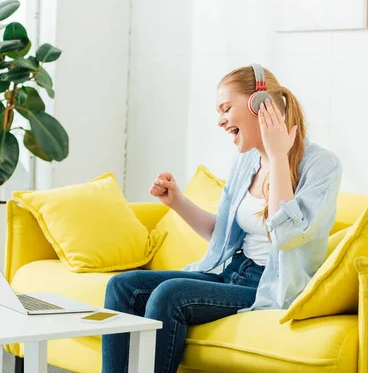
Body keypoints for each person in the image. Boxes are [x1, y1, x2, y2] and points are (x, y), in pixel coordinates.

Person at [101, 64, 343, 373]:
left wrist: (278, 156)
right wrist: (177, 202)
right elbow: (223, 235)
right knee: (122, 286)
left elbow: (286, 237)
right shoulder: (246, 161)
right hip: (233, 274)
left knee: (170, 295)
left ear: (260, 103)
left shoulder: (322, 166)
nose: (220, 120)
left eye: (226, 108)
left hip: (271, 286)